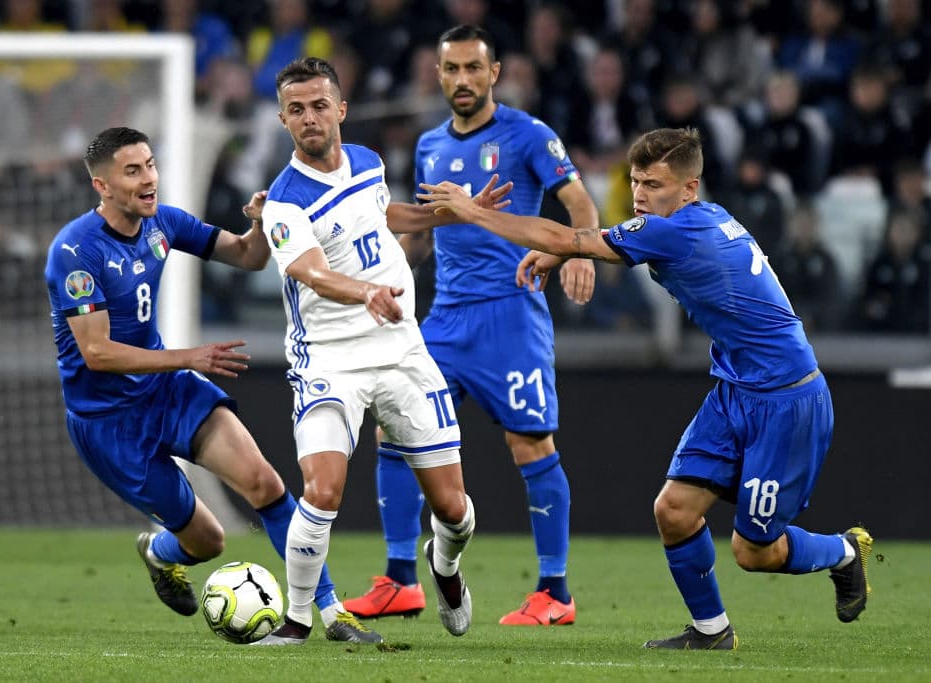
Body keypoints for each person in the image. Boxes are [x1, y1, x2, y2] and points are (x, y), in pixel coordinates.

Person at [418, 127, 874, 649]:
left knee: (754, 553)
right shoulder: (698, 219)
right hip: (735, 389)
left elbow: (572, 237)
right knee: (673, 511)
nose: (639, 194)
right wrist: (565, 253)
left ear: (688, 189)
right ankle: (711, 632)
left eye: (654, 184)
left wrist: (473, 212)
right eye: (635, 181)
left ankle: (843, 551)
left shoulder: (675, 232)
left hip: (788, 400)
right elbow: (594, 242)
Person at [43, 126, 377, 644]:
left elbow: (248, 257)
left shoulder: (165, 224)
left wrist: (264, 224)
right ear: (102, 186)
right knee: (208, 540)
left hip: (167, 391)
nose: (149, 179)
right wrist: (189, 356)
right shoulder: (74, 252)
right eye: (133, 171)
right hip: (108, 421)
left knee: (265, 484)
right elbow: (98, 353)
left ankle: (331, 612)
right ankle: (158, 553)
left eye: (150, 165)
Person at [343, 24, 599, 627]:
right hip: (445, 319)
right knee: (392, 429)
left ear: (494, 73)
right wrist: (380, 275)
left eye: (472, 69)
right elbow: (423, 234)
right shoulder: (430, 144)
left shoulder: (529, 135)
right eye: (451, 69)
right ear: (438, 74)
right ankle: (401, 579)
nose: (462, 79)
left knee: (530, 444)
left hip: (511, 315)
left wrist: (578, 252)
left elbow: (580, 204)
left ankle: (555, 592)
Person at [252, 57, 480, 645]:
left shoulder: (369, 163)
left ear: (341, 109)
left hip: (402, 349)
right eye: (296, 109)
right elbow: (310, 271)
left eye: (319, 105)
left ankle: (446, 567)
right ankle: (298, 620)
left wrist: (444, 213)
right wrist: (367, 291)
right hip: (329, 357)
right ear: (282, 119)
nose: (309, 117)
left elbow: (379, 216)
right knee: (322, 490)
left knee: (453, 509)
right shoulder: (283, 202)